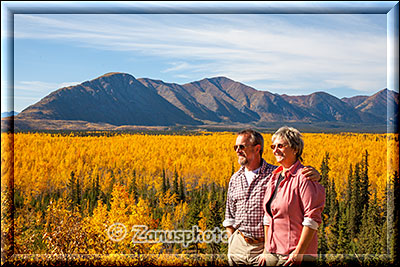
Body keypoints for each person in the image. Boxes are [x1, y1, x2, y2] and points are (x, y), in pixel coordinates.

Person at [224, 129, 321, 266]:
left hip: (266, 248)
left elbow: (311, 215)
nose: (237, 150)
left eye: (242, 147)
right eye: (236, 147)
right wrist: (232, 242)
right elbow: (230, 216)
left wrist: (317, 176)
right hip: (239, 246)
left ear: (257, 149)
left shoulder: (273, 174)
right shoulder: (236, 179)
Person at [258, 126, 325, 266]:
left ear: (295, 149)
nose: (275, 150)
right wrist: (266, 249)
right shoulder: (274, 177)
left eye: (281, 146)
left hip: (294, 256)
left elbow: (312, 219)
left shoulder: (305, 177)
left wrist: (299, 252)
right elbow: (267, 217)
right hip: (272, 253)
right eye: (273, 146)